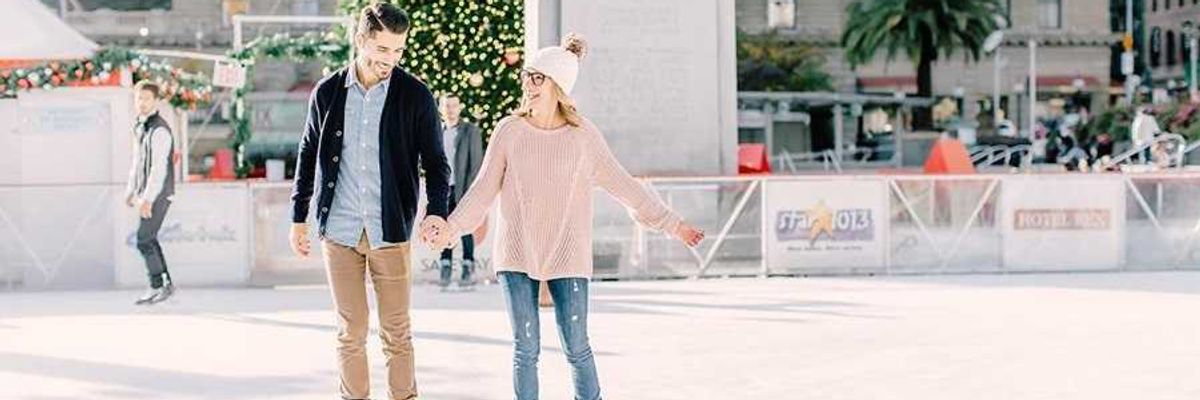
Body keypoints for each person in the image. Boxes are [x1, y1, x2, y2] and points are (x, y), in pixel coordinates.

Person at [422, 33, 705, 400]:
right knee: (526, 350)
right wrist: (449, 228)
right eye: (526, 76)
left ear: (558, 85)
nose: (528, 84)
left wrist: (672, 224)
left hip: (568, 255)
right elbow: (481, 191)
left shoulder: (583, 137)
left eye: (537, 77)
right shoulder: (509, 131)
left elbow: (625, 186)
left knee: (577, 347)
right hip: (517, 253)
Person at [288, 4, 451, 399]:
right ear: (360, 40)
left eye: (398, 50)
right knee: (351, 331)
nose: (390, 59)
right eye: (382, 49)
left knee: (397, 331)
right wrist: (298, 217)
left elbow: (436, 161)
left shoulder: (414, 95)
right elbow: (308, 153)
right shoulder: (328, 92)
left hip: (389, 230)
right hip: (339, 231)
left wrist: (437, 212)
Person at [124, 81, 177, 306]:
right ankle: (163, 284)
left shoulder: (159, 130)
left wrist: (148, 198)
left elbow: (158, 168)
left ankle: (158, 285)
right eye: (139, 98)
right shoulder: (141, 127)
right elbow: (138, 162)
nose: (142, 103)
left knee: (144, 238)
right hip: (146, 193)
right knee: (148, 238)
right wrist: (131, 190)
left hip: (159, 193)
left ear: (155, 101)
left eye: (146, 98)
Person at [437, 93, 484, 289]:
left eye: (454, 106)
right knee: (442, 226)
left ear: (460, 108)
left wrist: (472, 191)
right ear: (441, 108)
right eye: (447, 106)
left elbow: (476, 164)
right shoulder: (437, 131)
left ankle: (467, 265)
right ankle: (445, 265)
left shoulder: (470, 131)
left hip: (462, 188)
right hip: (442, 188)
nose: (450, 109)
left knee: (464, 228)